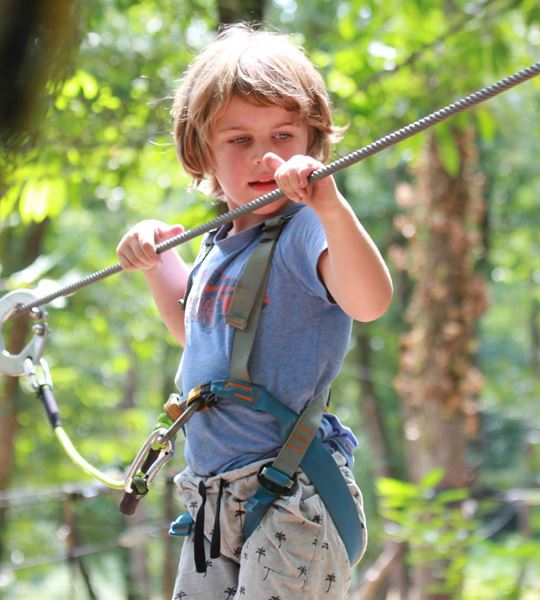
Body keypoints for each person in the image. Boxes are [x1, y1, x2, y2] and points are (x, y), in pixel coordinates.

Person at [117, 23, 393, 600]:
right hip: (212, 499)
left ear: (313, 142)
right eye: (238, 140)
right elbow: (192, 330)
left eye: (284, 135)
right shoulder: (217, 242)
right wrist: (156, 263)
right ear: (202, 153)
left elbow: (369, 301)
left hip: (289, 495)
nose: (265, 155)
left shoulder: (305, 230)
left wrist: (331, 205)